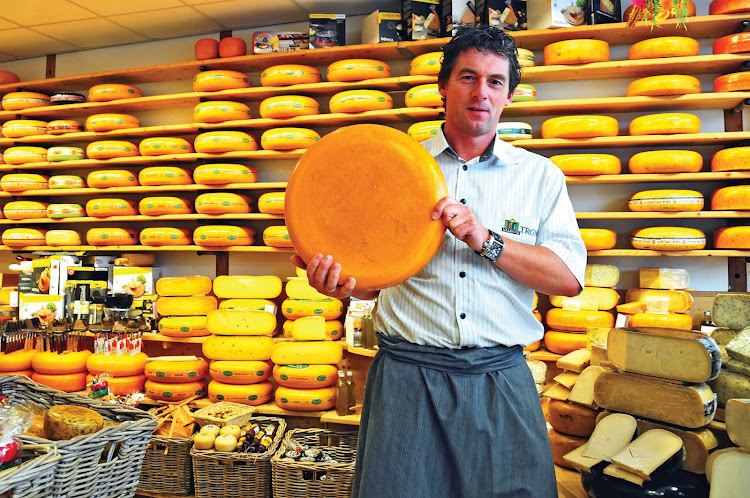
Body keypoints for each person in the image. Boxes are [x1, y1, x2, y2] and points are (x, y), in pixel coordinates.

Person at [292, 26, 586, 497]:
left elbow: (568, 279)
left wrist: (485, 239)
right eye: (468, 77)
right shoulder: (392, 168)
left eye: (495, 81)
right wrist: (343, 285)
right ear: (443, 87)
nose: (481, 92)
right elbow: (373, 278)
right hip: (409, 380)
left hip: (501, 380)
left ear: (508, 95)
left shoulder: (539, 177)